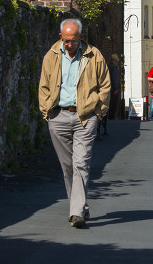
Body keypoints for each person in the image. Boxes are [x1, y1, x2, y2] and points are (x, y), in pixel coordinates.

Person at [38, 18, 110, 229]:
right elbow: (43, 85)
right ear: (61, 37)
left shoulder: (94, 55)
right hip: (58, 116)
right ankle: (80, 205)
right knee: (67, 165)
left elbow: (105, 85)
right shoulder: (51, 56)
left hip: (85, 117)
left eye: (74, 40)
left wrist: (99, 112)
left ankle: (76, 213)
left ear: (81, 37)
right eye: (66, 40)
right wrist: (47, 113)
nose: (70, 45)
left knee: (81, 163)